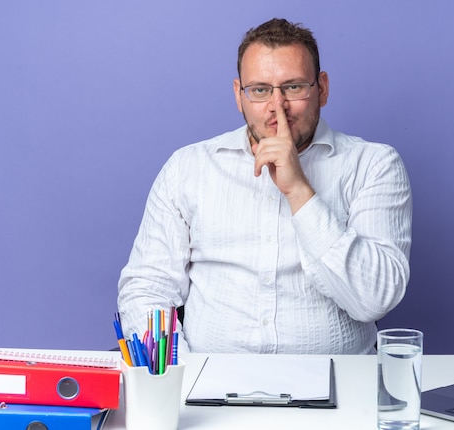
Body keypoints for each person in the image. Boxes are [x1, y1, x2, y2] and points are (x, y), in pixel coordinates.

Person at [117, 18, 412, 354]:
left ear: (323, 88)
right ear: (239, 96)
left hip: (342, 389)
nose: (277, 106)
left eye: (294, 87)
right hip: (209, 386)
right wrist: (182, 374)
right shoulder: (188, 168)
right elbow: (146, 288)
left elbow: (374, 299)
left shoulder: (374, 165)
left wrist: (300, 191)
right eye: (260, 90)